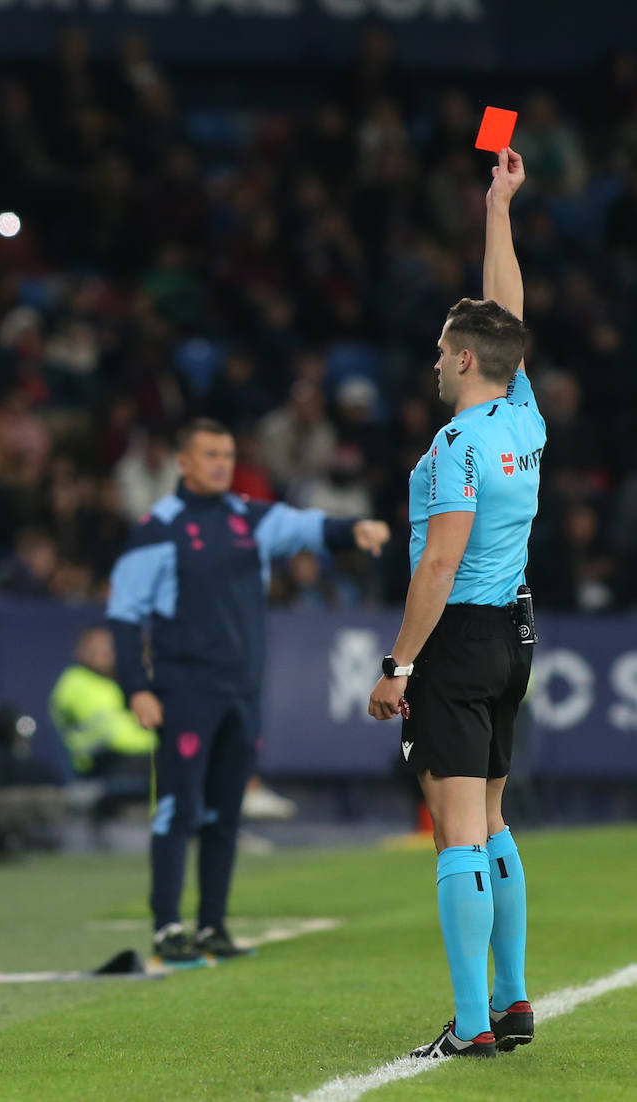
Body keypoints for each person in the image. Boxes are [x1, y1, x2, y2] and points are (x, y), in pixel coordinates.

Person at [367, 148, 542, 1061]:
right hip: (515, 632)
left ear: (465, 359)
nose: (436, 360)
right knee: (497, 818)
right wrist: (499, 209)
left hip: (462, 637)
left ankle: (472, 1021)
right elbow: (506, 312)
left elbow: (437, 563)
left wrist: (399, 665)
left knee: (455, 830)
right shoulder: (522, 418)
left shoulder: (452, 448)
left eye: (444, 349)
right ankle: (511, 1004)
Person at [107, 417, 389, 966]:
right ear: (183, 463)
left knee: (225, 814)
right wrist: (136, 688)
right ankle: (167, 923)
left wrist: (355, 529)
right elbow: (123, 618)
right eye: (209, 453)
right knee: (177, 808)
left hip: (241, 691)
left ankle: (212, 924)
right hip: (185, 689)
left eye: (227, 454)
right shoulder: (158, 528)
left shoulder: (248, 519)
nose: (220, 463)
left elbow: (307, 527)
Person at [49, 626, 154, 778]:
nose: (105, 652)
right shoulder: (76, 681)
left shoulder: (112, 681)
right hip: (99, 763)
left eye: (109, 646)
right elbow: (116, 736)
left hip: (128, 758)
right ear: (81, 651)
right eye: (96, 647)